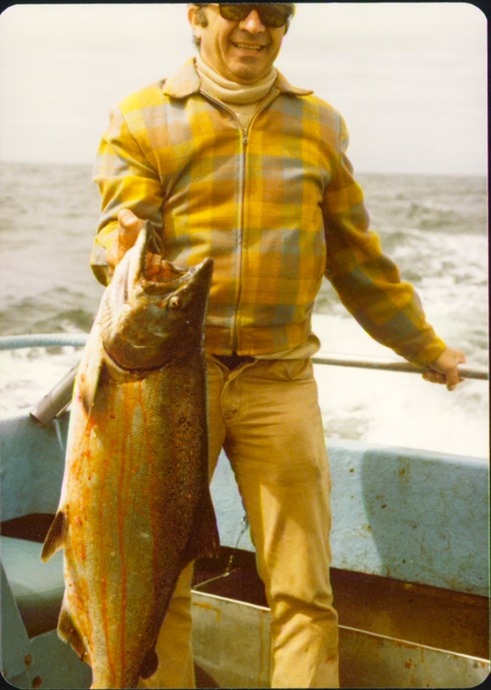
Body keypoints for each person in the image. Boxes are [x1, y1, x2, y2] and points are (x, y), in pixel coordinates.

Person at [90, 4, 466, 687]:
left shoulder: (318, 122)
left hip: (280, 378)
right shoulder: (140, 116)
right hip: (171, 380)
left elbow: (355, 259)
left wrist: (424, 349)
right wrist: (122, 249)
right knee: (157, 586)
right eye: (235, 7)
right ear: (198, 16)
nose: (255, 25)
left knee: (302, 590)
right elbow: (118, 230)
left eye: (276, 10)